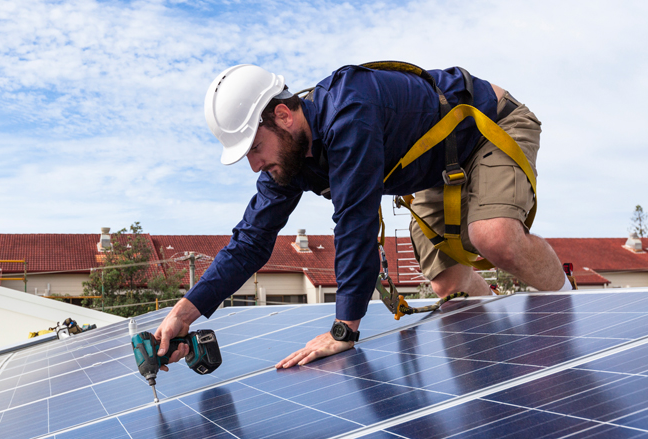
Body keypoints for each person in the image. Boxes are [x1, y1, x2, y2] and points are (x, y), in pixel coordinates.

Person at [153, 62, 572, 371]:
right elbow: (250, 243)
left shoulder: (350, 112)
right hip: (434, 169)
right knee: (448, 281)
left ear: (283, 116)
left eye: (255, 149)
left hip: (486, 129)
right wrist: (182, 314)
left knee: (492, 236)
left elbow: (355, 223)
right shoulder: (289, 156)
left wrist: (344, 328)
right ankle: (499, 362)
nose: (254, 166)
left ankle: (578, 317)